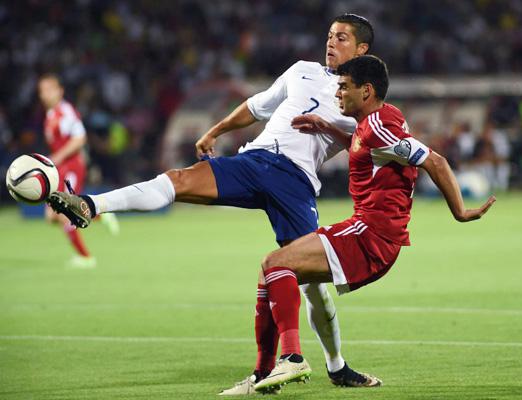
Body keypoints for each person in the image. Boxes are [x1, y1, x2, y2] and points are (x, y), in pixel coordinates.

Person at [47, 14, 382, 395]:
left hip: (297, 180)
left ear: (361, 49)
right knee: (178, 180)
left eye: (341, 38)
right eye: (329, 35)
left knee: (307, 282)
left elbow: (367, 142)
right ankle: (91, 205)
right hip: (255, 160)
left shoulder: (363, 97)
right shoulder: (302, 71)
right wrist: (216, 130)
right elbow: (257, 107)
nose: (331, 43)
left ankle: (336, 367)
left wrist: (329, 128)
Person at [250, 55, 496, 394]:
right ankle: (263, 376)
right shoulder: (380, 119)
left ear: (366, 91)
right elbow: (371, 148)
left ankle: (290, 360)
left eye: (343, 87)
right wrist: (328, 128)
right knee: (273, 272)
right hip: (367, 232)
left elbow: (434, 161)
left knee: (275, 264)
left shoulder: (379, 125)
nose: (337, 94)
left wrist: (460, 211)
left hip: (370, 236)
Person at [38, 73, 119, 268]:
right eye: (42, 91)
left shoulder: (65, 112)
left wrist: (57, 156)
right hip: (61, 168)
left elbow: (80, 138)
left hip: (72, 166)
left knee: (61, 212)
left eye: (50, 89)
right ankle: (100, 214)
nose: (45, 94)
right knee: (51, 217)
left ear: (60, 91)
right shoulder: (51, 115)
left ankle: (85, 257)